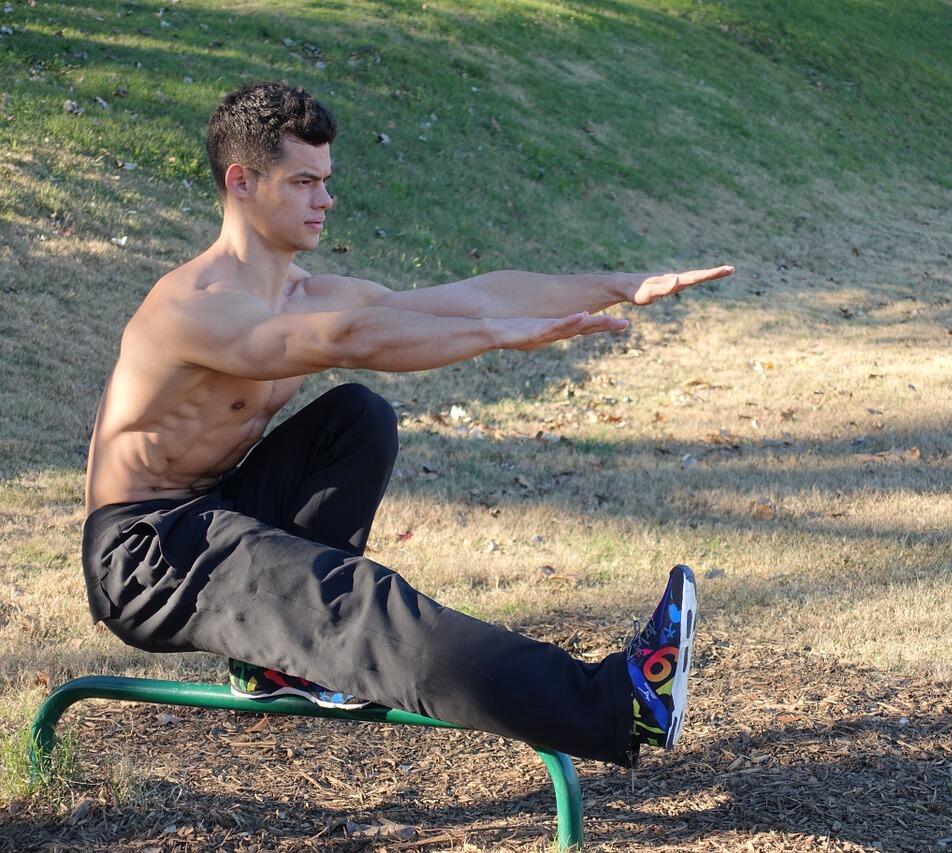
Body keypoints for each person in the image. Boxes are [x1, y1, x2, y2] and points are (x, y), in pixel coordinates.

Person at [80, 81, 733, 767]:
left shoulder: (303, 291)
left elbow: (467, 295)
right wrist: (500, 334)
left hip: (221, 507)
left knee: (356, 418)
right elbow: (346, 339)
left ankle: (271, 663)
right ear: (241, 182)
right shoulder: (195, 306)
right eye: (304, 182)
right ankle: (618, 702)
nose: (325, 200)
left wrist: (620, 283)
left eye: (326, 180)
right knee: (363, 607)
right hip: (146, 554)